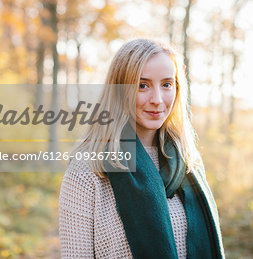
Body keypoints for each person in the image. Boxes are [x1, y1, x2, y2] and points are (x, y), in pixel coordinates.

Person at [58, 39, 224, 258]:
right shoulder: (88, 170)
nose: (157, 99)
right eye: (142, 85)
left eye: (166, 84)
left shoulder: (188, 162)